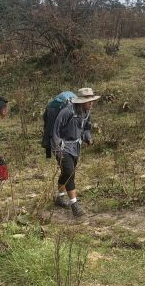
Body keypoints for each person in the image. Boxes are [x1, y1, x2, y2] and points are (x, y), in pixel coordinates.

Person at [52, 87, 100, 217]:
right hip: (62, 147)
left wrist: (88, 138)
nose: (91, 103)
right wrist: (58, 150)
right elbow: (55, 131)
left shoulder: (87, 113)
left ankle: (59, 198)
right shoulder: (66, 112)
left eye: (92, 101)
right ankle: (75, 205)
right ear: (80, 101)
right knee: (69, 173)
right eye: (88, 101)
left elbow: (85, 129)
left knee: (66, 172)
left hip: (75, 147)